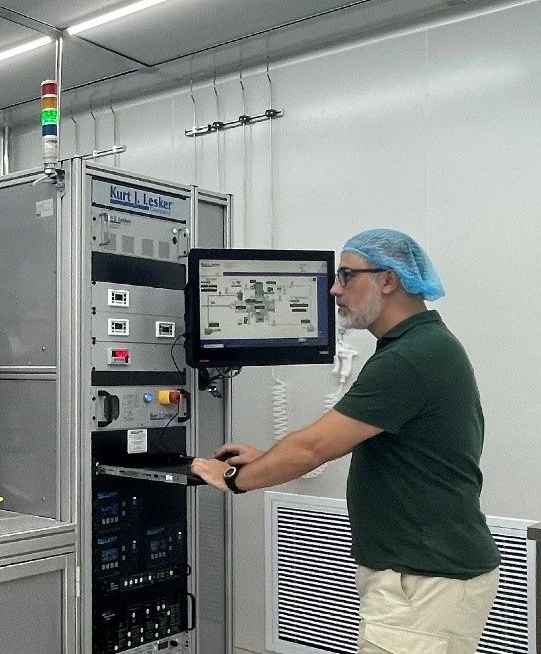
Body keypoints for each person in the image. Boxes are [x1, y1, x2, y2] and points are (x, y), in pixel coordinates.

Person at [191, 229, 499, 653]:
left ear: (388, 280)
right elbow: (346, 439)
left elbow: (313, 448)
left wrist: (232, 478)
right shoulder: (418, 345)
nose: (334, 290)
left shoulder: (411, 357)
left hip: (425, 583)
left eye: (347, 276)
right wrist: (264, 459)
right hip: (421, 577)